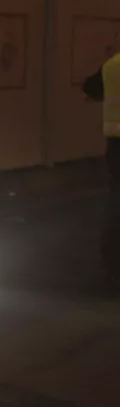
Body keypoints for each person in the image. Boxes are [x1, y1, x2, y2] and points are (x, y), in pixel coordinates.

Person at [83, 53, 120, 290]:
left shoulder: (112, 65)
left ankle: (112, 268)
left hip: (117, 147)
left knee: (116, 206)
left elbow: (91, 87)